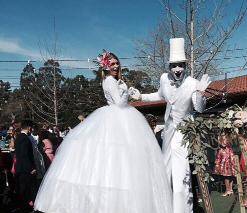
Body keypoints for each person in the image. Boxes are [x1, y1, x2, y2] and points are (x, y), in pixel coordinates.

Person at [34, 51, 172, 213]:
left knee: (125, 160)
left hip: (125, 118)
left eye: (116, 63)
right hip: (117, 117)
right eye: (112, 64)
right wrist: (129, 93)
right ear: (105, 66)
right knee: (113, 160)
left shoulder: (116, 80)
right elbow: (120, 102)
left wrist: (127, 91)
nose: (115, 66)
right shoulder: (109, 81)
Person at [130, 38, 210, 213]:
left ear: (185, 65)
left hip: (184, 132)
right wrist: (140, 97)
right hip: (168, 130)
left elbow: (199, 108)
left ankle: (183, 209)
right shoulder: (164, 79)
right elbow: (159, 95)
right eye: (174, 65)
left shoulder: (193, 83)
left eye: (180, 65)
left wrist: (201, 93)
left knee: (181, 172)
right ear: (169, 67)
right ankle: (163, 206)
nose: (177, 69)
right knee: (164, 168)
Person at [14, 120, 37, 212]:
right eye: (31, 128)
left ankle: (23, 207)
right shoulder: (24, 138)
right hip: (25, 169)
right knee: (27, 189)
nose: (32, 130)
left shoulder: (19, 137)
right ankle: (26, 208)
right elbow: (24, 155)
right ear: (29, 128)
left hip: (20, 167)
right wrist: (30, 168)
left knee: (23, 189)